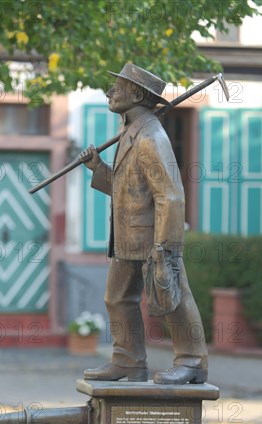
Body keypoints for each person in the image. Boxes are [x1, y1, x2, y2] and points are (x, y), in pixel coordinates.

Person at [79, 63, 208, 384]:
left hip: (154, 242)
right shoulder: (130, 134)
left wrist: (164, 249)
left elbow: (171, 197)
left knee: (172, 297)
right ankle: (128, 361)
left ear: (136, 94)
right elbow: (128, 191)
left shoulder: (151, 137)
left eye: (117, 88)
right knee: (118, 298)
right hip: (127, 240)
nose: (110, 92)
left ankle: (192, 360)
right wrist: (98, 168)